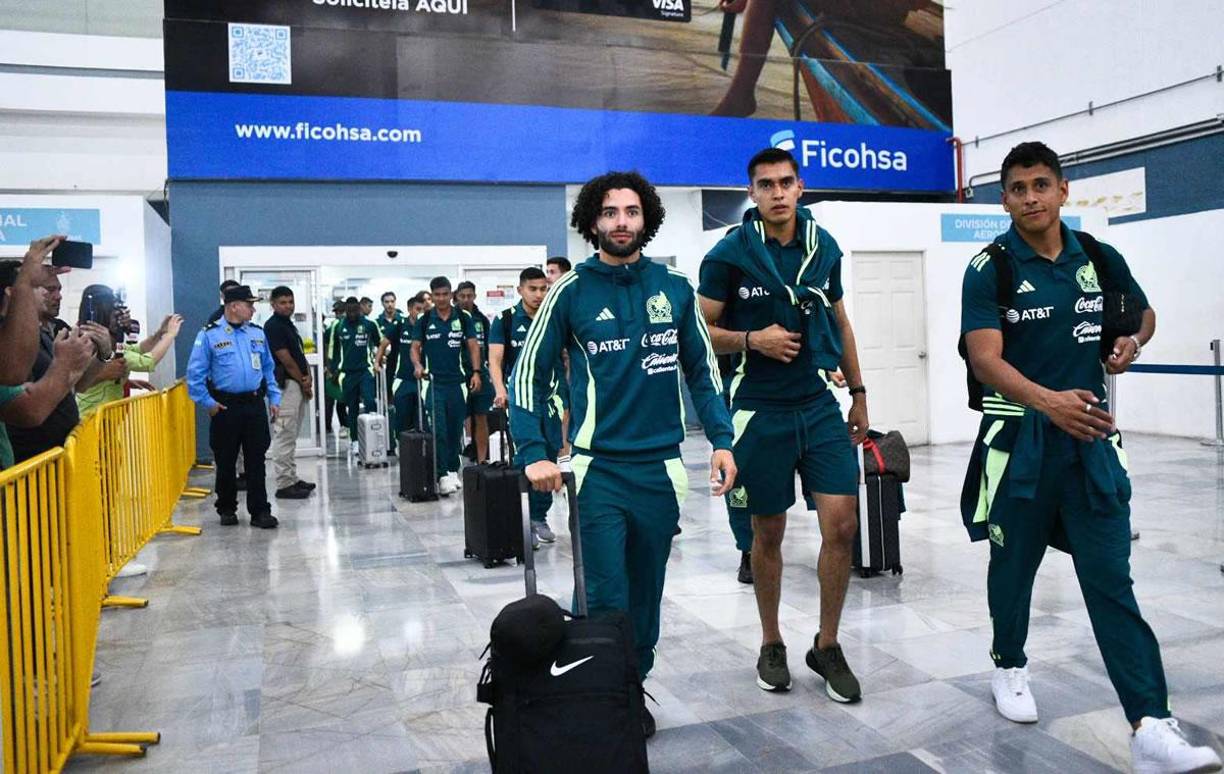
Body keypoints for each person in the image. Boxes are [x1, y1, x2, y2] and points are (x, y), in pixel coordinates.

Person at [960, 141, 1221, 774]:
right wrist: (1049, 402)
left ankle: (1150, 725)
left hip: (1091, 443)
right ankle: (1008, 665)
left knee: (1111, 579)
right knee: (1013, 568)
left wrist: (1131, 341)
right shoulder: (989, 268)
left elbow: (1143, 314)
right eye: (1018, 189)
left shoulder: (1099, 257)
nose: (1031, 198)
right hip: (1018, 442)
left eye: (1040, 185)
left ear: (1063, 190)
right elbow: (984, 358)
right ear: (1004, 200)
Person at [513, 171, 736, 738]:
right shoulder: (569, 290)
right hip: (599, 469)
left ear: (646, 219)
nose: (621, 222)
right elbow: (527, 375)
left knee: (646, 594)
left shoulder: (675, 287)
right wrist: (534, 451)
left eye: (631, 211)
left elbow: (703, 372)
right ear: (593, 221)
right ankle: (599, 692)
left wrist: (722, 439)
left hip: (662, 468)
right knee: (605, 593)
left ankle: (631, 685)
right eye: (610, 212)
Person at [698, 147, 868, 703]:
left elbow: (840, 321)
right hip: (758, 409)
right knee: (766, 534)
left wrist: (859, 392)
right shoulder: (728, 254)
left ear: (800, 187)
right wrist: (753, 340)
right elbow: (698, 334)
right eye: (766, 184)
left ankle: (827, 644)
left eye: (785, 182)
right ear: (751, 193)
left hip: (818, 405)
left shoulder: (824, 247)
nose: (777, 192)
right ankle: (771, 642)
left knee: (842, 526)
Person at [186, 284, 281, 528]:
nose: (253, 310)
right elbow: (195, 376)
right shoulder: (209, 335)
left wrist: (274, 398)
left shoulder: (257, 334)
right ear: (234, 306)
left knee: (256, 460)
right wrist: (208, 403)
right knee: (226, 460)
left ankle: (260, 511)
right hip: (225, 407)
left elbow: (268, 368)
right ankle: (227, 508)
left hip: (254, 404)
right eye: (249, 305)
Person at [0, 244, 96, 471]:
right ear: (12, 293)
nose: (53, 295)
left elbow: (71, 386)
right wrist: (64, 365)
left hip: (47, 460)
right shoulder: (11, 342)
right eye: (42, 287)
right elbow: (26, 402)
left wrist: (92, 358)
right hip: (31, 461)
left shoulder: (44, 334)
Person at [489, 266, 562, 546]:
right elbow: (495, 360)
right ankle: (523, 520)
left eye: (543, 289)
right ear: (520, 290)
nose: (539, 294)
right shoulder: (506, 320)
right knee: (526, 457)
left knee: (550, 454)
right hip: (520, 399)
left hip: (551, 399)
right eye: (533, 289)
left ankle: (539, 516)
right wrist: (500, 390)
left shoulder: (553, 317)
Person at [411, 276, 482, 495]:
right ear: (431, 296)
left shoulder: (463, 317)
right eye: (437, 295)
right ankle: (441, 474)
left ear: (451, 295)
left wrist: (476, 372)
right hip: (433, 384)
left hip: (458, 383)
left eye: (445, 294)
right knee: (439, 430)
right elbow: (414, 348)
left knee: (455, 429)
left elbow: (473, 346)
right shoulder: (424, 320)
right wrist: (417, 365)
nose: (441, 298)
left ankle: (452, 469)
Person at [74, 284, 183, 417]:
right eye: (115, 316)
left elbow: (138, 349)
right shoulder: (96, 345)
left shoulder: (112, 344)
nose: (121, 320)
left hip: (105, 417)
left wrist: (160, 333)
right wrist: (170, 335)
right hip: (93, 419)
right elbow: (147, 362)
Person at [264, 286, 316, 499]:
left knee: (291, 434)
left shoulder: (288, 325)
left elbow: (299, 354)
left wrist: (308, 377)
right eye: (283, 302)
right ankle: (284, 484)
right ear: (273, 305)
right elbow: (286, 359)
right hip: (285, 385)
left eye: (290, 302)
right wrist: (303, 382)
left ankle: (292, 478)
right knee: (284, 434)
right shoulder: (273, 326)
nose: (288, 306)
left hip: (297, 384)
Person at [327, 296, 380, 456]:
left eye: (355, 310)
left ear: (359, 309)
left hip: (366, 370)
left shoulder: (369, 324)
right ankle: (355, 441)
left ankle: (373, 438)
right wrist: (332, 369)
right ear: (345, 311)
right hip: (347, 373)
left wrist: (379, 359)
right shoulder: (338, 326)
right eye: (349, 311)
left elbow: (381, 342)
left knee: (370, 402)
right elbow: (332, 349)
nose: (352, 314)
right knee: (352, 407)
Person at [377, 292, 427, 445]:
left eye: (423, 310)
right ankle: (401, 445)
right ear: (410, 309)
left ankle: (422, 448)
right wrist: (377, 362)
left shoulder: (427, 326)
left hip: (423, 380)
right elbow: (383, 344)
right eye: (418, 309)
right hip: (403, 379)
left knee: (423, 417)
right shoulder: (400, 326)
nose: (420, 313)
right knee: (402, 416)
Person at [455, 280, 493, 463]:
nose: (466, 299)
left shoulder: (481, 319)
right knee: (458, 417)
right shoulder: (452, 317)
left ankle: (482, 459)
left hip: (480, 374)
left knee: (481, 416)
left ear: (474, 296)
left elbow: (489, 346)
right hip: (457, 374)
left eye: (469, 296)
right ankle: (457, 458)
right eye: (462, 296)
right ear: (456, 297)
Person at [375, 290, 406, 450]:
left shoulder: (403, 320)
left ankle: (402, 438)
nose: (390, 304)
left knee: (401, 403)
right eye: (386, 302)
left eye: (392, 301)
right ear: (382, 304)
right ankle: (389, 441)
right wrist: (379, 358)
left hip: (402, 366)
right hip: (387, 368)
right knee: (387, 404)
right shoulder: (378, 322)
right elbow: (377, 343)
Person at [323, 300, 348, 436]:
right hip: (335, 368)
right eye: (338, 312)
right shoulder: (333, 328)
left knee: (342, 399)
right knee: (336, 398)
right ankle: (334, 426)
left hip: (345, 368)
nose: (340, 314)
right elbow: (327, 347)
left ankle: (345, 425)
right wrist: (329, 367)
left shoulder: (351, 326)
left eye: (341, 312)